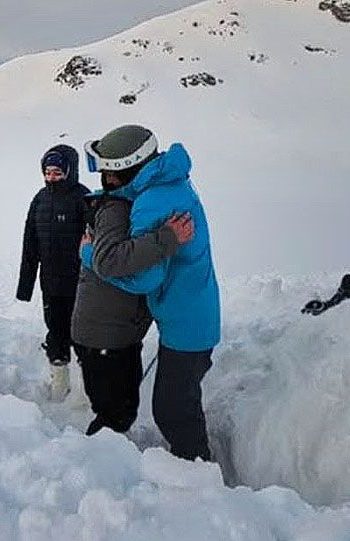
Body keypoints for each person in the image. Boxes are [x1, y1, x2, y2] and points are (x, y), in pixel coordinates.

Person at [81, 125, 221, 461]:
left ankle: (199, 476)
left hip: (185, 324)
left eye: (108, 172)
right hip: (193, 312)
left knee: (173, 411)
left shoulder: (151, 202)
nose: (104, 180)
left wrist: (89, 253)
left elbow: (144, 279)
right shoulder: (170, 182)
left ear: (128, 169)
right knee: (179, 402)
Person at [72, 187, 194, 435]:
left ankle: (103, 458)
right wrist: (168, 237)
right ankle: (94, 464)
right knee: (114, 414)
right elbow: (111, 262)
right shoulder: (116, 210)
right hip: (104, 336)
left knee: (119, 409)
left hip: (115, 333)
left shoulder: (125, 208)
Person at [16, 145, 89, 400]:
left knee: (82, 333)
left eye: (57, 172)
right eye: (47, 172)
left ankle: (84, 391)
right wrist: (25, 286)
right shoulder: (40, 200)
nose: (51, 178)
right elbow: (30, 244)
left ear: (70, 172)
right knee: (56, 331)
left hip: (81, 283)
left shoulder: (83, 198)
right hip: (51, 283)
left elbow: (96, 242)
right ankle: (59, 385)